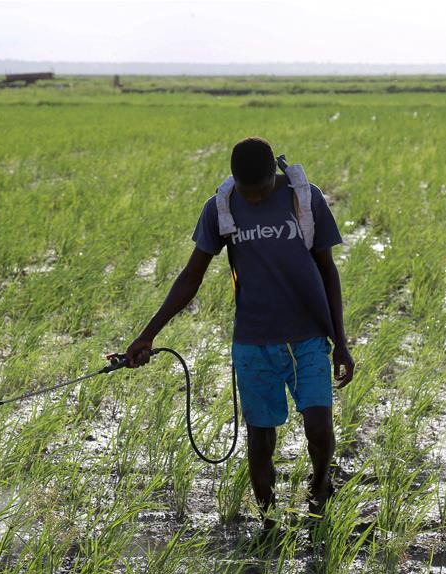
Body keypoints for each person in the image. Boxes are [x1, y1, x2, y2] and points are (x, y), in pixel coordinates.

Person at [124, 136, 355, 538]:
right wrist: (147, 335)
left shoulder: (305, 198)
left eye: (261, 191)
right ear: (233, 181)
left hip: (308, 338)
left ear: (274, 177)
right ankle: (269, 522)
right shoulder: (221, 208)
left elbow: (327, 271)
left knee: (319, 429)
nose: (252, 199)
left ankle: (320, 485)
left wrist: (342, 341)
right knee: (260, 439)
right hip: (254, 343)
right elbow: (191, 277)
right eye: (245, 192)